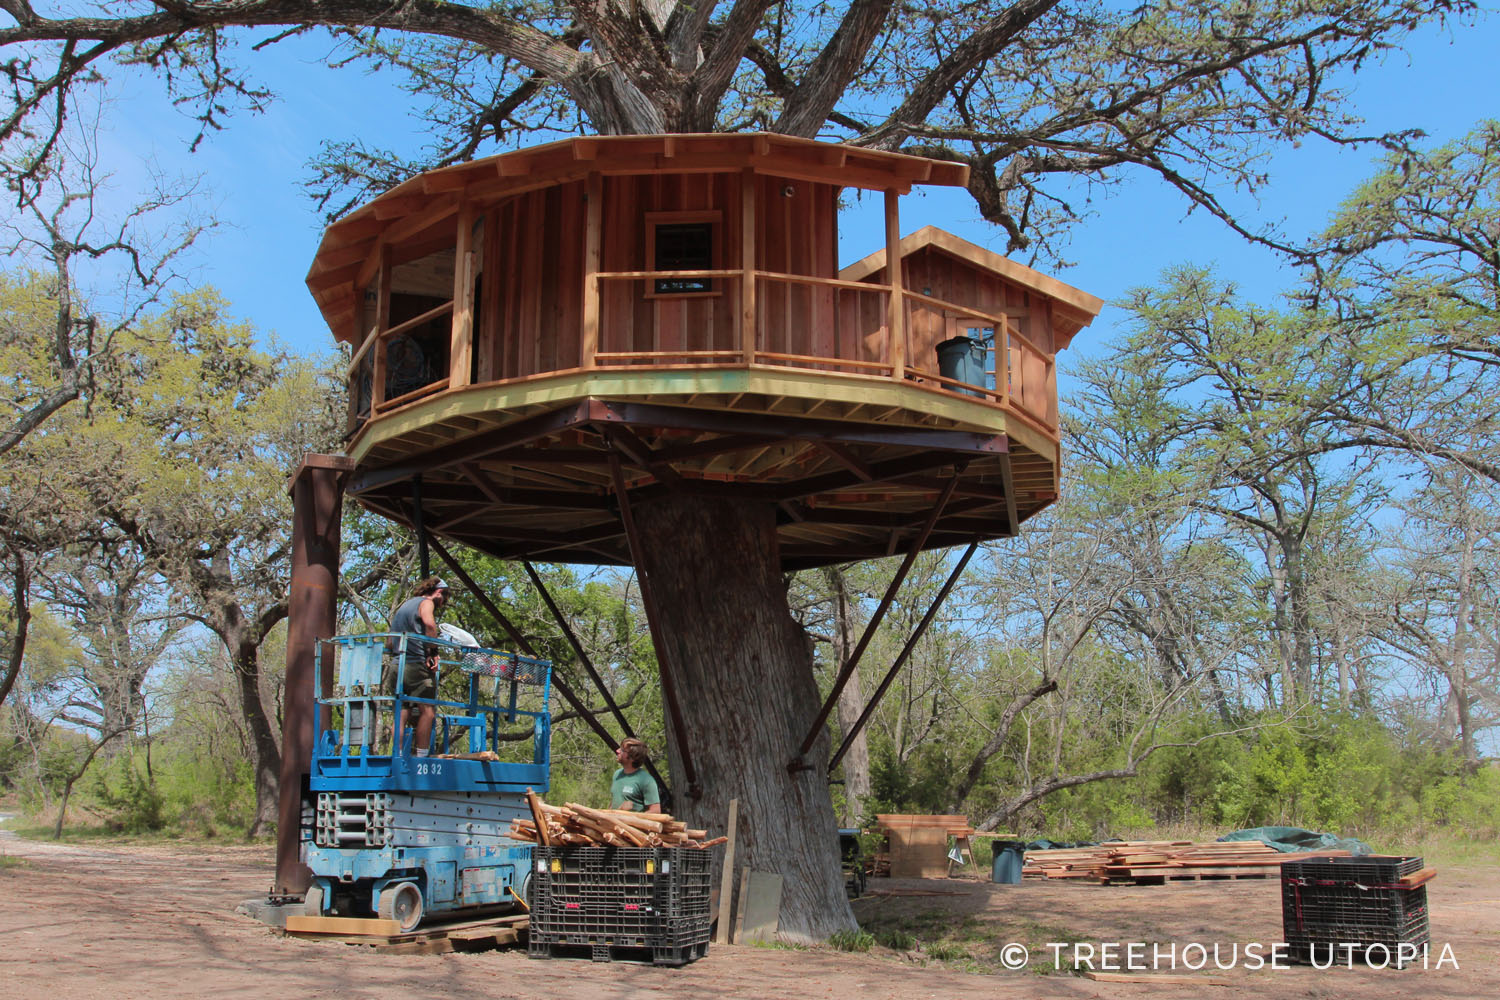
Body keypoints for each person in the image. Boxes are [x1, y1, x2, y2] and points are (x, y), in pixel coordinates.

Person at [384, 576, 452, 756]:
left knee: (402, 711)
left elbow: (389, 642)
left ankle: (396, 754)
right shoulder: (426, 603)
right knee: (427, 711)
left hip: (396, 666)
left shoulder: (405, 606)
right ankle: (422, 756)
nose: (442, 603)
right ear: (438, 592)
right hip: (415, 665)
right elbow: (430, 624)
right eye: (444, 599)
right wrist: (433, 652)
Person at [610, 737, 661, 813]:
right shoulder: (617, 774)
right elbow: (613, 803)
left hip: (630, 824)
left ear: (632, 758)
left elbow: (656, 811)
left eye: (622, 750)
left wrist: (635, 818)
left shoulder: (647, 781)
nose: (617, 751)